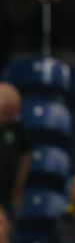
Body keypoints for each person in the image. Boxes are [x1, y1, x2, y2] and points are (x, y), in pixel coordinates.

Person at [0, 83, 30, 217]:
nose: (10, 118)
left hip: (6, 196)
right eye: (7, 114)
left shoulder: (16, 126)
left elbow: (24, 157)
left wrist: (18, 190)